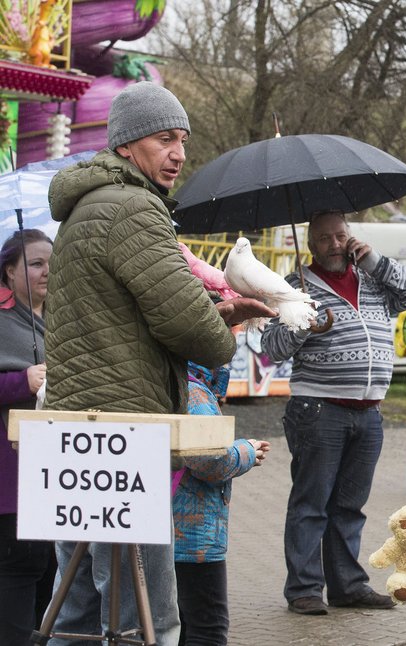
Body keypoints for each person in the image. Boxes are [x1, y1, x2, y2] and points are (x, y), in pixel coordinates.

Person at [43, 81, 274, 646]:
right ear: (126, 145)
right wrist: (223, 323)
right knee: (146, 621)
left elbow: (136, 311)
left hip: (75, 432)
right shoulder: (134, 207)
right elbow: (186, 323)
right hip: (125, 436)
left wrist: (209, 311)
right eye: (165, 139)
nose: (179, 154)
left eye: (183, 141)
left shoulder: (83, 209)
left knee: (73, 613)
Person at [261, 211, 406, 615]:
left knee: (350, 506)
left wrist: (374, 260)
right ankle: (303, 590)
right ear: (311, 244)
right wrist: (303, 324)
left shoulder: (372, 279)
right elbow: (272, 347)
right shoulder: (294, 288)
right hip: (318, 409)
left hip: (369, 411)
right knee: (311, 504)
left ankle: (348, 586)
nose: (334, 244)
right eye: (324, 238)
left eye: (340, 236)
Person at [173, 360, 270, 646]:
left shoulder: (173, 380)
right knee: (208, 628)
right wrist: (246, 452)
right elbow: (209, 462)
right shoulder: (195, 394)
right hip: (193, 540)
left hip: (171, 534)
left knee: (179, 626)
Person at [0, 229, 57, 645]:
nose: (47, 272)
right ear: (9, 272)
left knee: (49, 576)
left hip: (56, 476)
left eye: (52, 263)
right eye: (36, 264)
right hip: (11, 482)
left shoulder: (61, 320)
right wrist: (21, 381)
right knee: (16, 578)